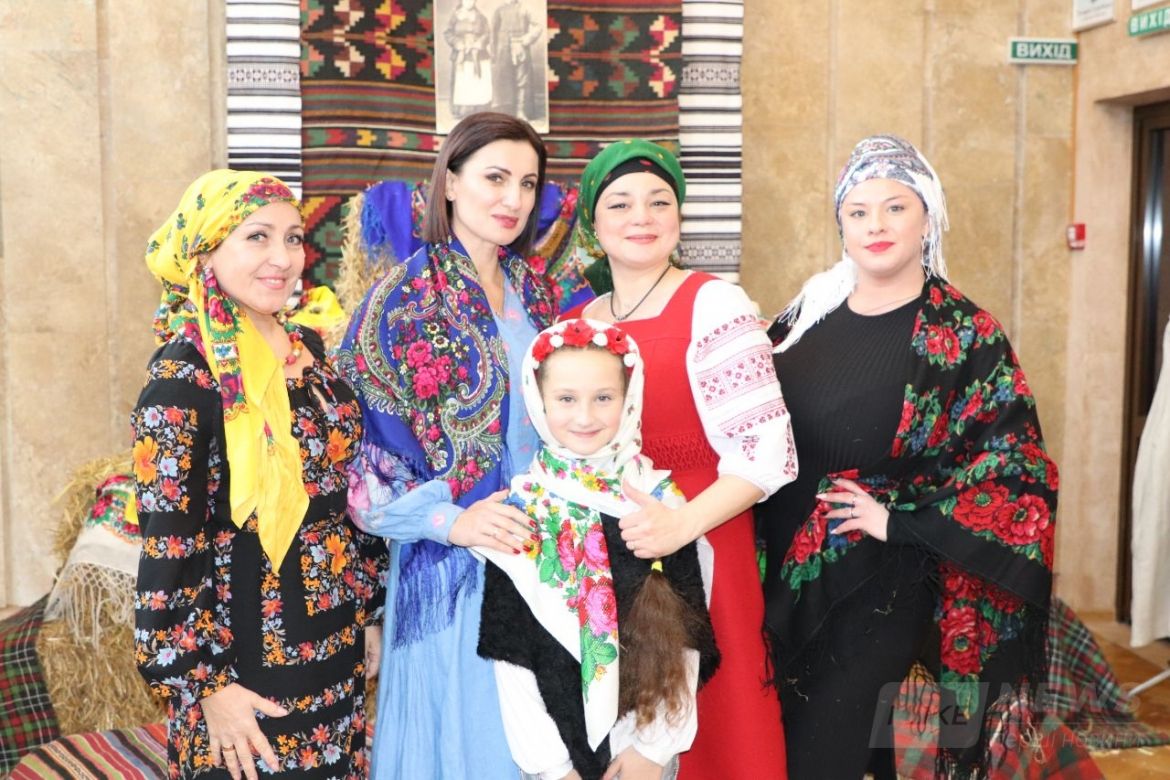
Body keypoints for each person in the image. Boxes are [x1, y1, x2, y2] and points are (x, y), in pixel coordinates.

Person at [761, 134, 1062, 779]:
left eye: (895, 207)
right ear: (841, 224)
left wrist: (898, 522)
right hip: (781, 578)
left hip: (882, 585)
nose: (876, 225)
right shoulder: (802, 317)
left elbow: (1019, 471)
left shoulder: (966, 334)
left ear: (928, 218)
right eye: (858, 211)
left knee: (821, 759)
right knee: (785, 753)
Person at [133, 170, 387, 780]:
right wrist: (206, 686)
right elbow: (170, 544)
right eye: (257, 237)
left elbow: (345, 493)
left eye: (293, 237)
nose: (283, 257)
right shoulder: (185, 375)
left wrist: (370, 612)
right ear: (205, 252)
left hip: (333, 638)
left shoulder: (309, 351)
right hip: (242, 658)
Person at [564, 139, 796, 779]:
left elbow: (768, 452)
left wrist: (680, 525)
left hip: (702, 533)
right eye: (620, 203)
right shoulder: (579, 320)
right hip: (608, 552)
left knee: (715, 728)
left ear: (680, 215)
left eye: (659, 201)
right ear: (593, 224)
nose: (641, 216)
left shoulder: (715, 303)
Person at [337, 111, 558, 778]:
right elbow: (360, 458)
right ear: (451, 183)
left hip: (547, 554)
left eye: (527, 184)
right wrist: (451, 520)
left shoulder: (536, 293)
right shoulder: (400, 300)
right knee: (476, 749)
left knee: (547, 747)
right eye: (495, 178)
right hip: (453, 570)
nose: (513, 199)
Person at [476, 318, 719, 780]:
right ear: (538, 400)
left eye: (603, 398)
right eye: (566, 399)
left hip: (641, 753)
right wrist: (552, 767)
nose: (585, 417)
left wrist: (652, 750)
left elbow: (685, 640)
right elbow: (510, 653)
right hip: (554, 756)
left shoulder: (659, 505)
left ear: (629, 398)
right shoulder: (519, 514)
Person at [491, 0, 543, 121]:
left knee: (522, 80)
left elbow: (538, 26)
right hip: (502, 50)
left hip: (521, 48)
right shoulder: (499, 10)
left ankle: (521, 110)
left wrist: (526, 39)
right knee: (503, 80)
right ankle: (505, 112)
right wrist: (493, 52)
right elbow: (493, 33)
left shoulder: (525, 8)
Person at [444, 0, 492, 120]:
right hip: (462, 53)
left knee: (477, 81)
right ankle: (463, 109)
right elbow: (448, 33)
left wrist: (479, 43)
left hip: (478, 54)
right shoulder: (455, 16)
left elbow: (487, 33)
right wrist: (458, 44)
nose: (469, 2)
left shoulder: (481, 17)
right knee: (463, 80)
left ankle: (479, 109)